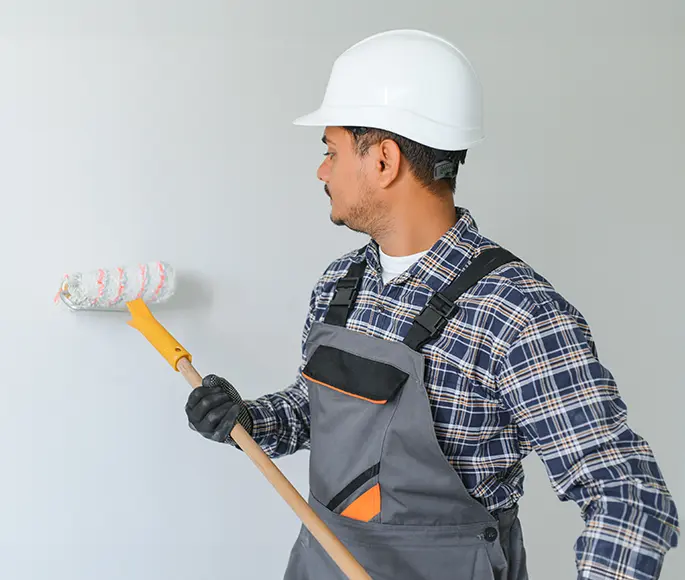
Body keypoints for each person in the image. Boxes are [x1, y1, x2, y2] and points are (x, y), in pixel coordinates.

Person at [184, 29, 679, 579]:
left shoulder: (514, 312)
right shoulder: (340, 284)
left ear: (384, 161)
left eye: (331, 151)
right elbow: (319, 412)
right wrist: (247, 419)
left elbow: (628, 497)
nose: (322, 171)